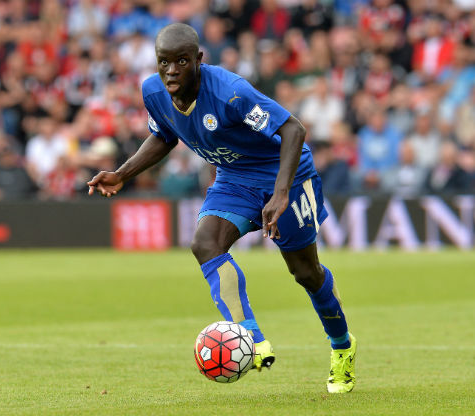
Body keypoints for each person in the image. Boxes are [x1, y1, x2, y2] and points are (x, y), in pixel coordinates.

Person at [87, 23, 356, 393]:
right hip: (234, 179)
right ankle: (252, 339)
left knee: (305, 272)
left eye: (181, 62)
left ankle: (342, 346)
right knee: (205, 243)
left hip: (286, 176)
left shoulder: (231, 93)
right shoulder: (153, 91)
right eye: (164, 62)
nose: (171, 71)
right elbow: (164, 135)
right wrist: (122, 173)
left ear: (198, 59)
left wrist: (281, 194)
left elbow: (293, 130)